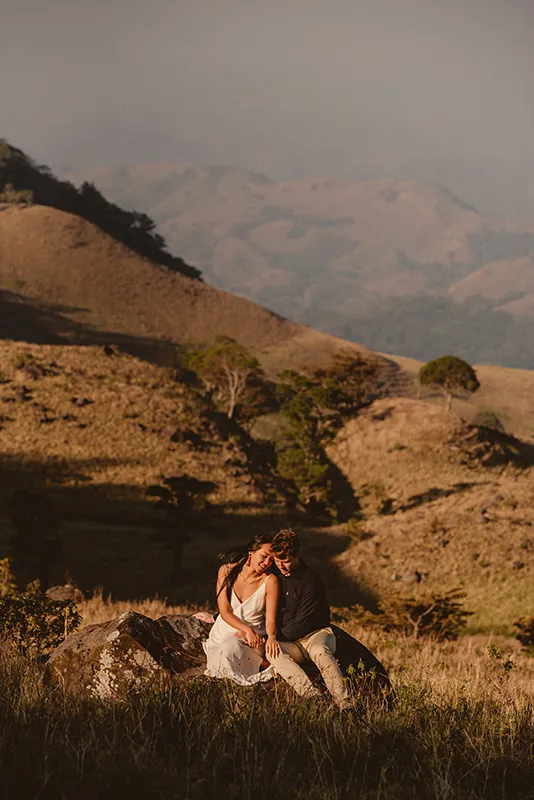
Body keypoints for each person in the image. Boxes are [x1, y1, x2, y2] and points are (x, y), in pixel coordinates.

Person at [266, 528, 353, 710]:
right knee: (272, 652)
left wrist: (274, 637)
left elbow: (304, 622)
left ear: (297, 555)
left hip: (316, 634)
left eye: (286, 561)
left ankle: (345, 704)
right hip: (292, 642)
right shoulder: (275, 577)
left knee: (320, 651)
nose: (281, 566)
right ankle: (312, 698)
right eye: (277, 561)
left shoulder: (310, 581)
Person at [203, 533, 281, 686]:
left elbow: (271, 619)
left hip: (253, 638)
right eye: (264, 556)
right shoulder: (226, 571)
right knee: (226, 647)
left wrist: (271, 636)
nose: (267, 563)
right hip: (225, 630)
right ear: (251, 552)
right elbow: (224, 612)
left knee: (231, 647)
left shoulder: (271, 581)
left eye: (271, 560)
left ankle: (257, 663)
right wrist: (246, 630)